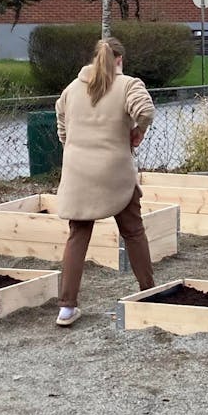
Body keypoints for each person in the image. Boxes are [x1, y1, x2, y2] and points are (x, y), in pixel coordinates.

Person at [54, 37, 156, 327]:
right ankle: (148, 292)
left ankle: (66, 307)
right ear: (120, 60)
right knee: (133, 231)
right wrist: (139, 131)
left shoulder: (72, 90)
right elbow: (145, 111)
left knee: (78, 235)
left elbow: (62, 128)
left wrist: (73, 150)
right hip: (115, 172)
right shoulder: (127, 85)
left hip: (77, 174)